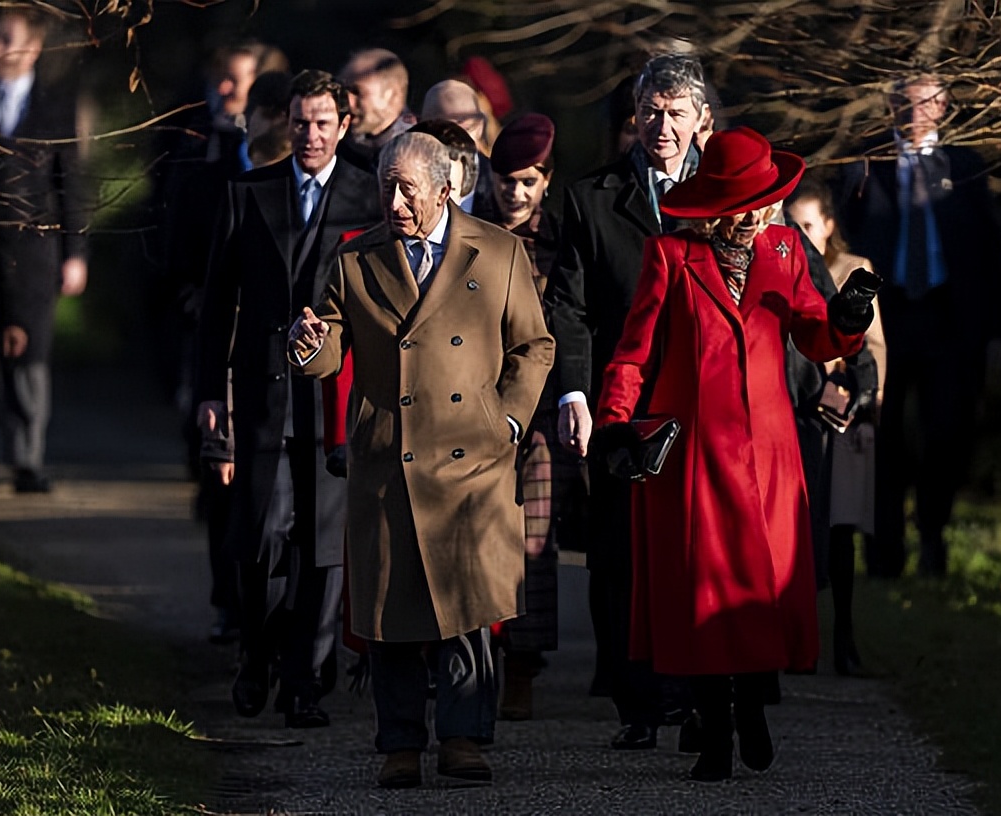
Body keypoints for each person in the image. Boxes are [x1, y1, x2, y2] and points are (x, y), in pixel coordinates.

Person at [594, 126, 877, 781]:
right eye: (746, 205)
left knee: (757, 591)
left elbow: (815, 337)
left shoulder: (784, 248)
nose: (758, 216)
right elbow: (634, 353)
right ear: (716, 205)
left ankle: (752, 709)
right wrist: (614, 424)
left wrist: (849, 318)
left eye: (766, 202)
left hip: (769, 455)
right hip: (691, 452)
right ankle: (714, 729)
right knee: (701, 595)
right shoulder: (669, 255)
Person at [287, 132, 554, 788]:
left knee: (466, 609)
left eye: (408, 188)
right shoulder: (356, 261)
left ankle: (464, 737)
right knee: (391, 615)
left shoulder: (497, 252)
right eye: (386, 187)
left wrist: (510, 419)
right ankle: (399, 743)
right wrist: (306, 345)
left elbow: (535, 346)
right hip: (388, 460)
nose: (395, 200)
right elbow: (327, 354)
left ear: (444, 187)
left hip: (474, 459)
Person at [195, 69, 381, 728]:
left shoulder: (369, 196)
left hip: (338, 397)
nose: (310, 134)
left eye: (323, 122)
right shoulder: (249, 193)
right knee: (263, 535)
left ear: (343, 125)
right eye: (300, 122)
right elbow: (216, 305)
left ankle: (306, 681)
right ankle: (256, 653)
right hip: (262, 391)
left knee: (323, 545)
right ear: (286, 122)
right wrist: (210, 396)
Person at [543, 52, 708, 751]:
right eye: (650, 112)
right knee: (618, 554)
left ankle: (698, 697)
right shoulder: (590, 198)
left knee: (699, 551)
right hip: (622, 402)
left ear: (702, 120)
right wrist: (576, 394)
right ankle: (635, 700)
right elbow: (569, 306)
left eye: (675, 113)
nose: (660, 125)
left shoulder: (732, 197)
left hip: (704, 401)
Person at [836, 74, 1001, 577]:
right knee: (883, 435)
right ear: (891, 107)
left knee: (948, 432)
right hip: (883, 322)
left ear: (943, 108)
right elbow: (841, 239)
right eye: (905, 103)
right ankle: (884, 553)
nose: (915, 113)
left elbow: (989, 251)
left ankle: (933, 533)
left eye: (926, 103)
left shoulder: (965, 166)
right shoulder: (866, 164)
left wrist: (1000, 330)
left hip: (949, 319)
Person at [0, 8, 93, 495]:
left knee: (31, 356)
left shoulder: (57, 105)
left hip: (36, 250)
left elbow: (71, 182)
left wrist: (75, 251)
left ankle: (27, 458)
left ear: (33, 47)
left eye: (6, 39)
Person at [482, 113, 587, 720]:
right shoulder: (471, 231)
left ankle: (522, 666)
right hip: (478, 401)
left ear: (546, 179)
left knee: (534, 542)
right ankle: (473, 661)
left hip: (545, 410)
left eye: (526, 182)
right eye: (505, 181)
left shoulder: (565, 237)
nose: (514, 194)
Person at [785, 176, 887, 675]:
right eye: (793, 224)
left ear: (827, 226)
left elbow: (872, 346)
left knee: (840, 528)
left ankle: (842, 638)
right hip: (799, 408)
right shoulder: (785, 268)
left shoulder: (851, 271)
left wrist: (863, 398)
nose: (800, 234)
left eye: (808, 225)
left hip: (843, 411)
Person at [421, 80, 495, 217]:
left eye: (467, 129)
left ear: (480, 127)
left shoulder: (501, 183)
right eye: (444, 132)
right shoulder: (402, 179)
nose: (457, 141)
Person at [336, 48, 415, 168]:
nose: (348, 101)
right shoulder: (338, 147)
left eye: (357, 92)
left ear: (392, 95)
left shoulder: (416, 152)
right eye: (342, 90)